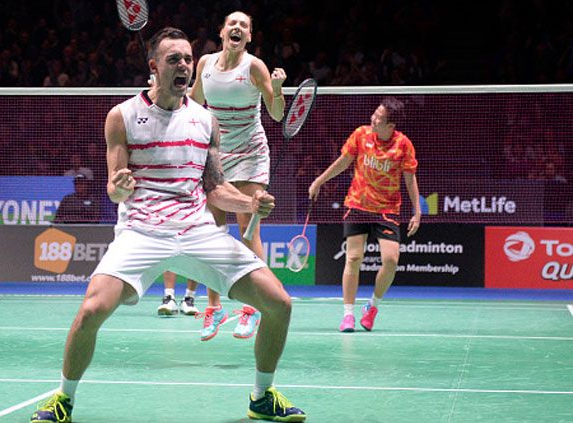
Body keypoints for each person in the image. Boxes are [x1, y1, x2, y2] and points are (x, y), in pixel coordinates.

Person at [30, 27, 305, 423]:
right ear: (154, 67)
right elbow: (115, 188)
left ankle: (262, 397)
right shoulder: (122, 116)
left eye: (189, 59)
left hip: (196, 230)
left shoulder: (206, 122)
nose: (184, 66)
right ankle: (63, 400)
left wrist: (250, 202)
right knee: (91, 310)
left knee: (278, 303)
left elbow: (214, 188)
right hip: (141, 230)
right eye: (174, 59)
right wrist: (120, 186)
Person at [189, 11, 286, 342]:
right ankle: (214, 310)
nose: (237, 28)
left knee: (249, 227)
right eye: (233, 23)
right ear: (222, 31)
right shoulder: (205, 65)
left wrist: (277, 89)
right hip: (216, 153)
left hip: (250, 152)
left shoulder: (253, 67)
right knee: (213, 232)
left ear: (249, 37)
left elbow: (276, 114)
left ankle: (252, 308)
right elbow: (193, 104)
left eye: (244, 25)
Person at [308, 97, 421, 333]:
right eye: (375, 114)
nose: (373, 119)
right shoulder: (361, 134)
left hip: (387, 210)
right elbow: (343, 162)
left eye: (379, 118)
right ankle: (348, 314)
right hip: (358, 204)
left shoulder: (403, 145)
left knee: (391, 261)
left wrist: (417, 211)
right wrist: (319, 181)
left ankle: (372, 306)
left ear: (390, 126)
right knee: (353, 258)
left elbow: (410, 180)